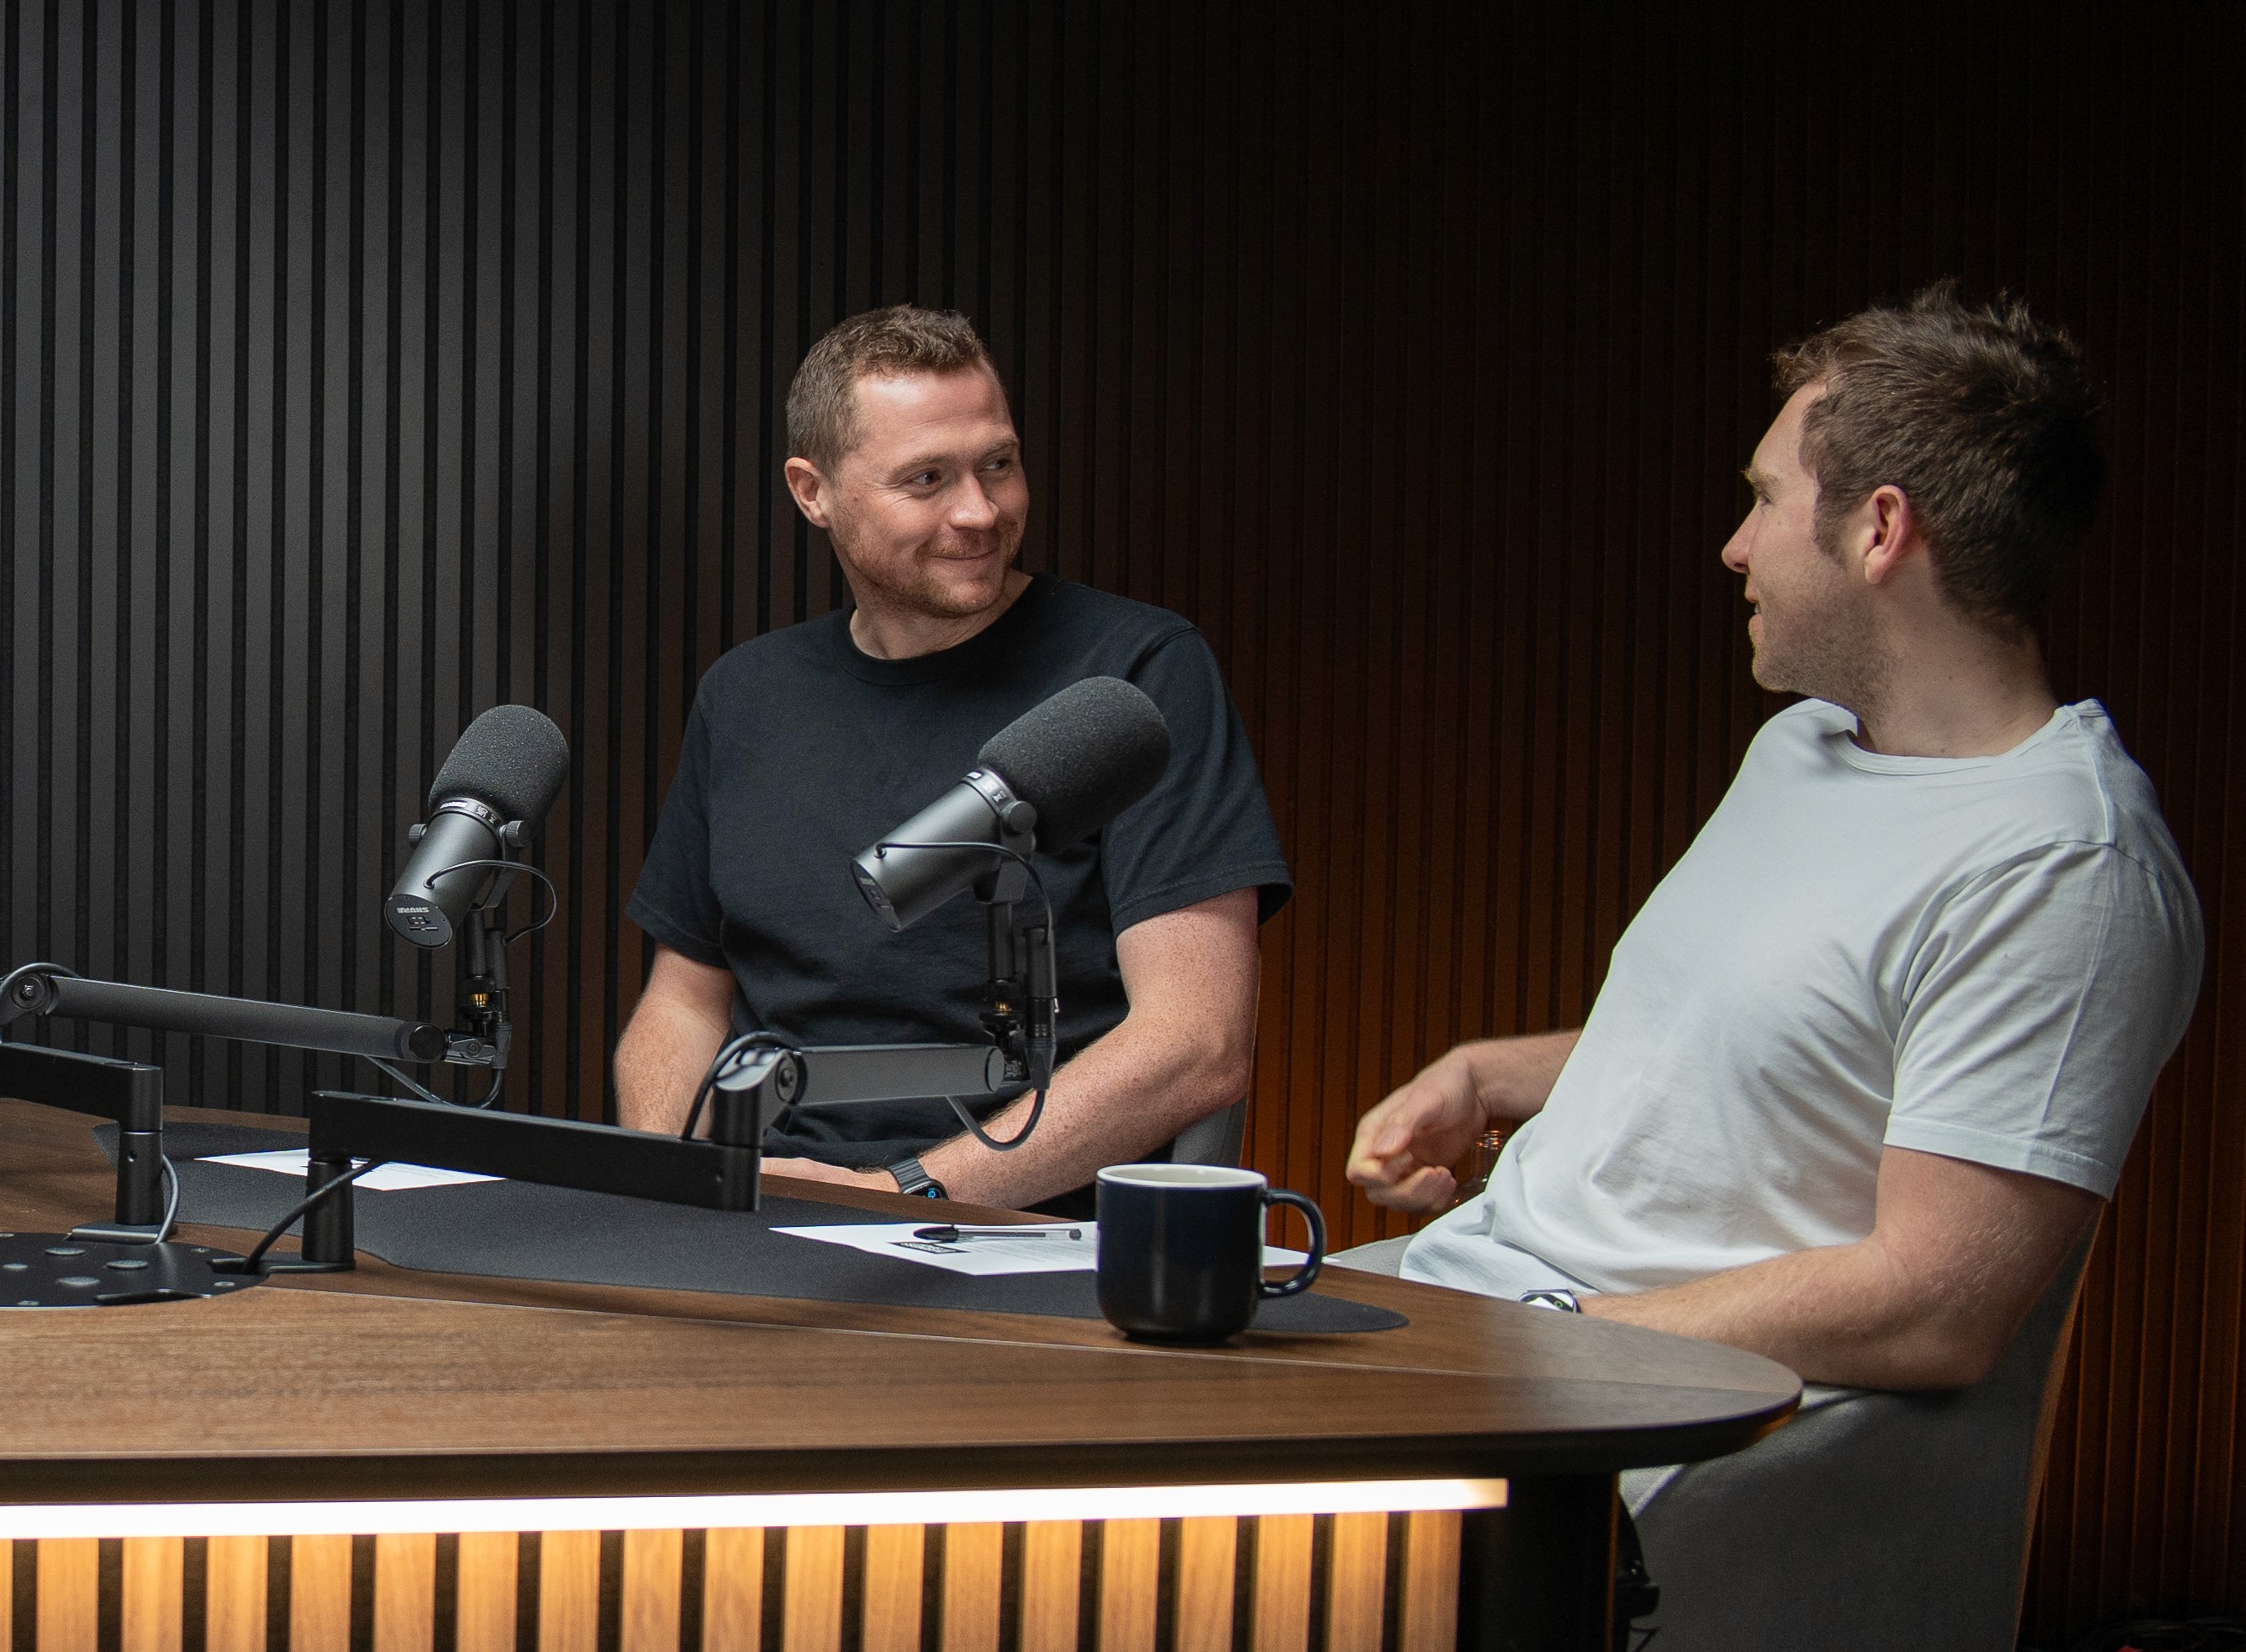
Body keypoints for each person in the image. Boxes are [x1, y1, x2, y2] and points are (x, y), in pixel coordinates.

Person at [1348, 286, 2202, 1391]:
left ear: (1880, 530)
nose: (1734, 546)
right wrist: (1488, 1071)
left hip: (1604, 1381)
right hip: (1482, 1288)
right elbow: (1768, 1047)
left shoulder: (2062, 869)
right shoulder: (1803, 745)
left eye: (1763, 498)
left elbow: (1935, 1308)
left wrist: (1547, 1340)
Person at [614, 306, 1292, 1208]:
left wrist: (898, 1193)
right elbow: (682, 1003)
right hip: (760, 1210)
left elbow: (1196, 1043)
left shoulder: (1134, 676)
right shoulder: (745, 694)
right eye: (926, 478)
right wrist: (676, 1188)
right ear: (813, 492)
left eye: (997, 465)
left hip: (1001, 1224)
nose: (979, 511)